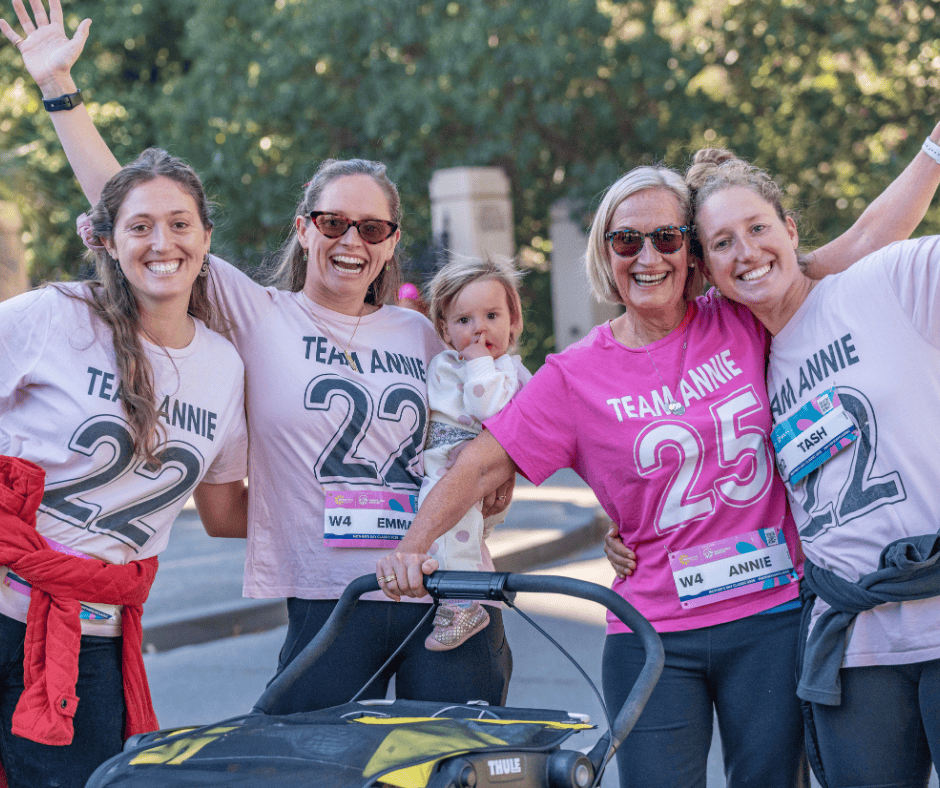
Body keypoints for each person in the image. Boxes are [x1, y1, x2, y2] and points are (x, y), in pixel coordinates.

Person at [377, 132, 940, 786]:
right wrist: (412, 547)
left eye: (667, 238)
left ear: (691, 255)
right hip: (653, 633)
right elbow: (479, 464)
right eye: (627, 241)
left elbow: (863, 240)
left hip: (770, 619)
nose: (648, 256)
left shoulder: (741, 313)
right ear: (605, 253)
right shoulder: (573, 375)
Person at [1, 0, 514, 713]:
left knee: (463, 756)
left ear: (393, 241)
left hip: (450, 592)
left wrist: (495, 485)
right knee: (314, 758)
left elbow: (490, 429)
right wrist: (60, 92)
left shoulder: (422, 333)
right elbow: (145, 218)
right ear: (303, 230)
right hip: (332, 596)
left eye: (372, 228)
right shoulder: (257, 314)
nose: (351, 240)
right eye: (333, 222)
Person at [691, 147, 940, 788]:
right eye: (722, 243)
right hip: (853, 646)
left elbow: (872, 232)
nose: (746, 252)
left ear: (791, 230)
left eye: (757, 228)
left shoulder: (886, 281)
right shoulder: (744, 369)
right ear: (706, 269)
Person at [0, 148, 248, 788]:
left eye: (179, 224)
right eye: (140, 226)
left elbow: (225, 512)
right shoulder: (53, 315)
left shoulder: (224, 367)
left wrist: (377, 518)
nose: (162, 243)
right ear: (108, 241)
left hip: (90, 639)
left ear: (206, 238)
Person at [418, 257, 530, 651]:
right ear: (444, 330)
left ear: (513, 321)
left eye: (492, 315)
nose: (479, 328)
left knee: (451, 528)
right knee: (449, 539)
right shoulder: (442, 363)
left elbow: (490, 409)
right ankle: (466, 592)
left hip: (475, 480)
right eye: (464, 320)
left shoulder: (509, 372)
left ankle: (463, 605)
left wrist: (481, 364)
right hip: (440, 468)